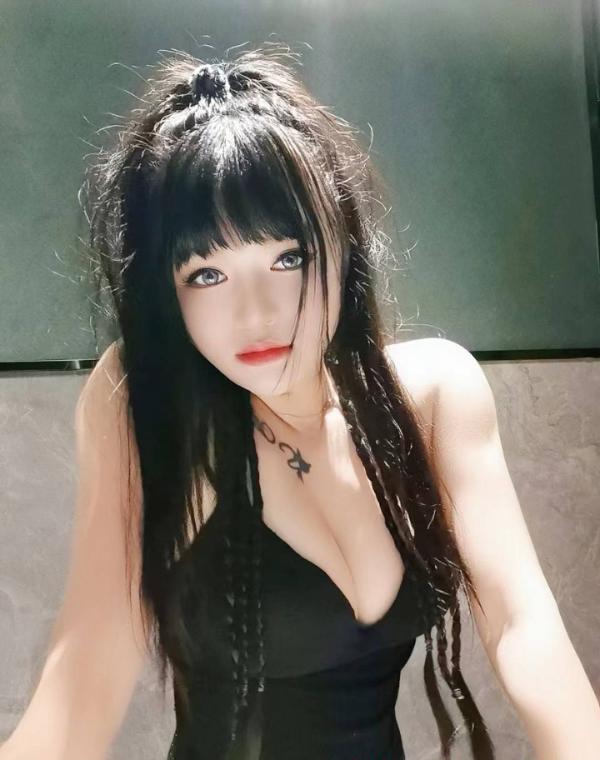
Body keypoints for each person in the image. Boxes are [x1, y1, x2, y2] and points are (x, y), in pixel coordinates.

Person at [4, 43, 598, 760]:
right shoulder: (152, 405)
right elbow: (86, 676)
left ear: (342, 248)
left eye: (289, 257)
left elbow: (523, 626)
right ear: (165, 289)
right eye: (206, 274)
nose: (256, 313)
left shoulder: (434, 395)